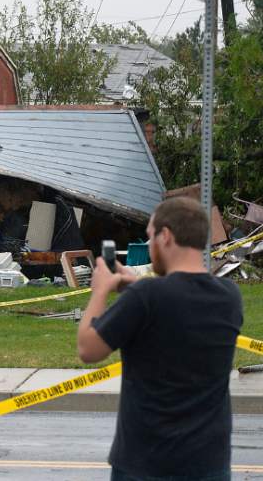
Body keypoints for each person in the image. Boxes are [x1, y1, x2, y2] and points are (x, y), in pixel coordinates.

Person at [77, 196, 243, 481]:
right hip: (209, 463)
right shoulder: (229, 297)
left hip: (147, 464)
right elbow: (181, 297)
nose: (150, 244)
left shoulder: (146, 298)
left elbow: (88, 348)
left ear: (166, 236)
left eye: (150, 235)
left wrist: (101, 290)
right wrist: (137, 284)